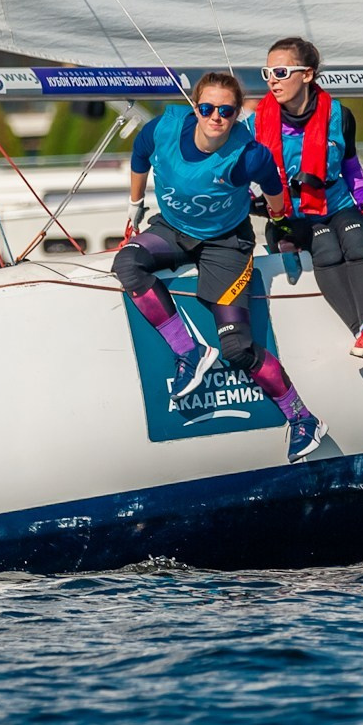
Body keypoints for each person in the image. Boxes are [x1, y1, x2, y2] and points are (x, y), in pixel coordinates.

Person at [119, 72, 327, 463]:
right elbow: (139, 155)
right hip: (174, 230)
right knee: (128, 262)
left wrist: (281, 222)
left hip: (226, 243)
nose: (216, 117)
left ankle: (303, 419)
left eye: (226, 111)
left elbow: (274, 191)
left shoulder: (249, 154)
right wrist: (135, 206)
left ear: (236, 115)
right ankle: (190, 352)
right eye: (207, 108)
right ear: (194, 107)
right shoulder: (162, 128)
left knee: (236, 349)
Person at [252, 36, 363, 363]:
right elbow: (238, 173)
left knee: (357, 240)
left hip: (335, 204)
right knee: (325, 247)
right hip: (291, 216)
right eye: (267, 72)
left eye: (280, 72)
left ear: (307, 75)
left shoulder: (340, 115)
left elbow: (351, 165)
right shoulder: (254, 124)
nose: (271, 80)